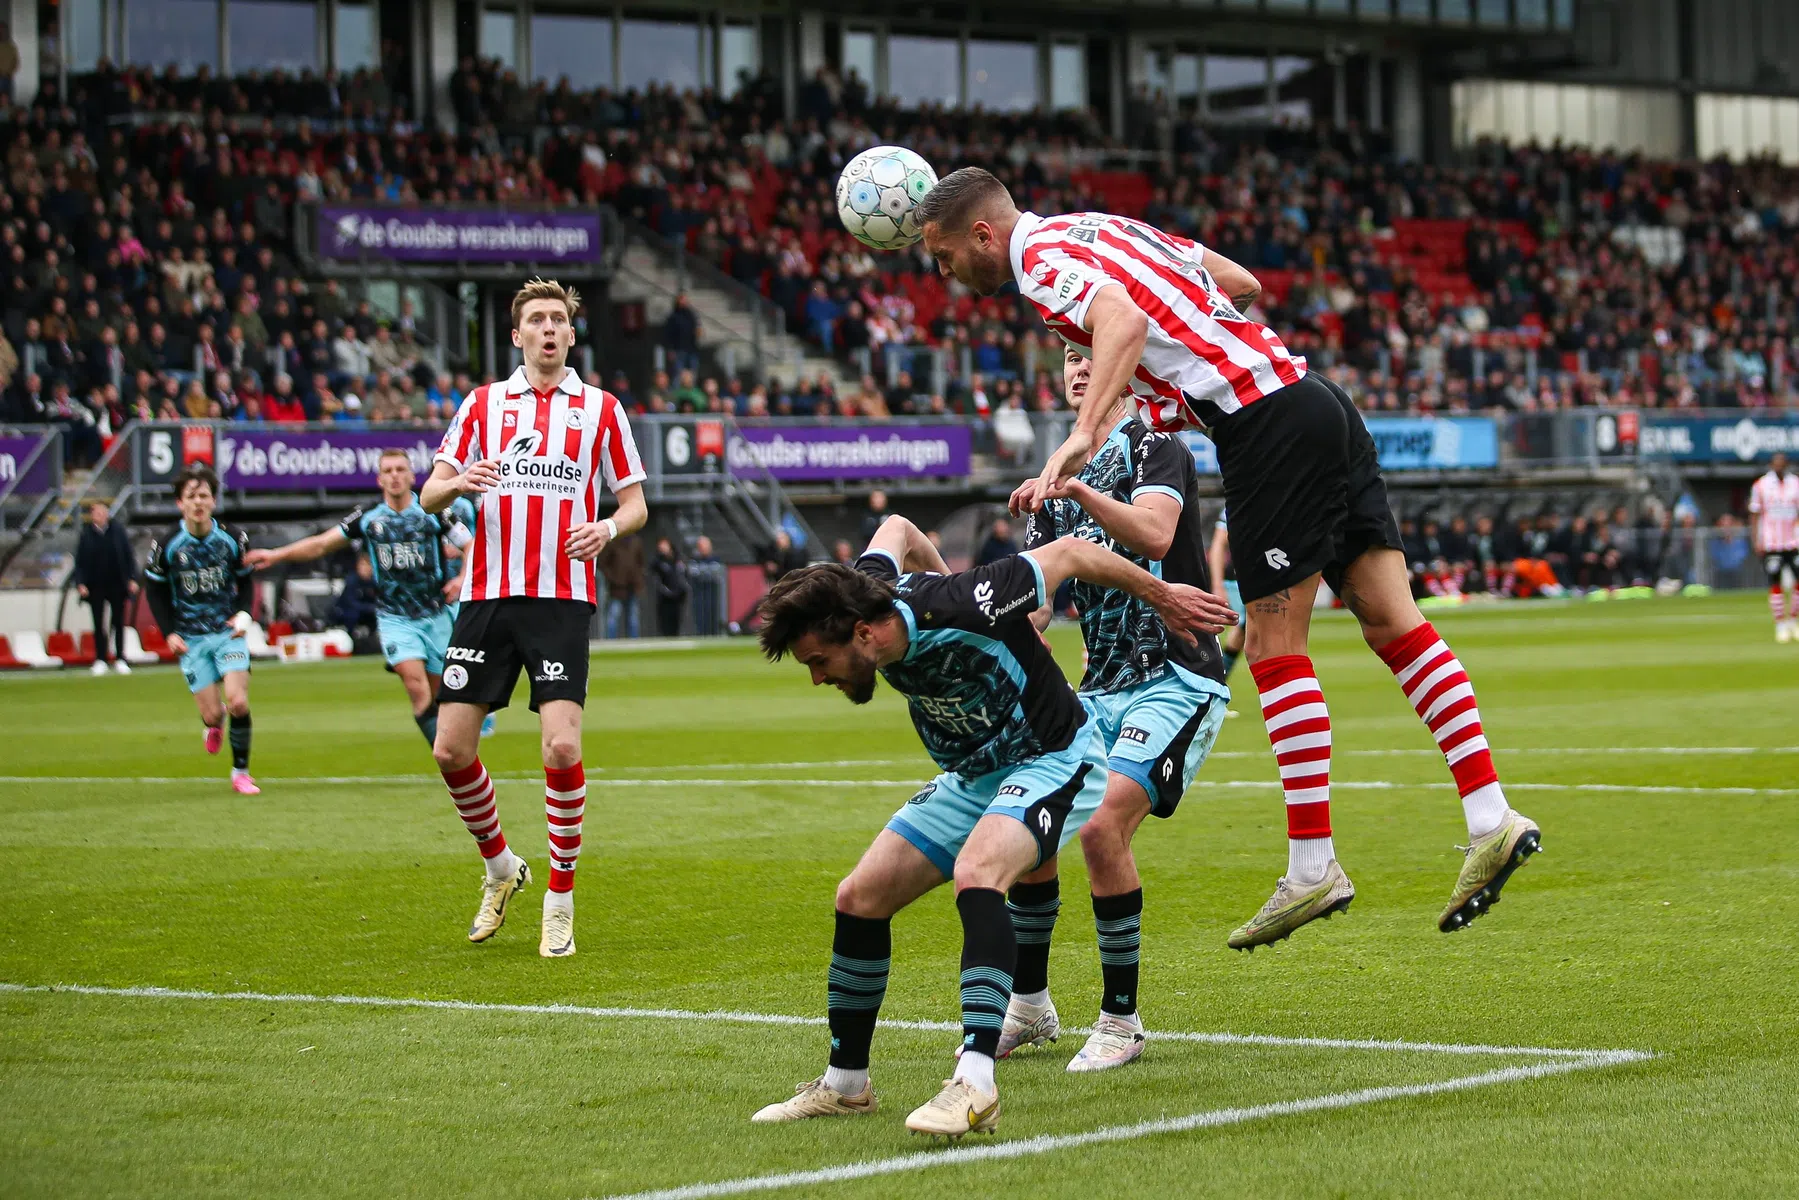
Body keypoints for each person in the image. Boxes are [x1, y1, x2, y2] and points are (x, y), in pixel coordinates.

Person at [916, 167, 1540, 945]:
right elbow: (1238, 282)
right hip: (1315, 400)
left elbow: (1121, 320)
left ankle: (1312, 868)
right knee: (1393, 622)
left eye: (943, 256)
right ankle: (1489, 815)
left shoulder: (1038, 264)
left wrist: (1082, 434)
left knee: (1273, 648)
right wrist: (1188, 372)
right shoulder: (1097, 226)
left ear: (983, 234)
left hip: (1265, 427)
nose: (944, 274)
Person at [748, 514, 1233, 1136]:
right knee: (859, 897)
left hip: (1057, 758)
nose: (819, 677)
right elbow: (897, 527)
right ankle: (846, 1086)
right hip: (973, 774)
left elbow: (1069, 552)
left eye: (820, 660)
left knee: (978, 873)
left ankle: (975, 1084)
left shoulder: (967, 601)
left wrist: (1161, 596)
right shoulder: (870, 587)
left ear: (864, 633)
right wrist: (984, 609)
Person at [1002, 347, 1234, 1072]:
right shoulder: (1052, 482)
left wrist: (1074, 490)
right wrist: (991, 621)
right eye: (1071, 356)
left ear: (1127, 369)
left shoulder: (1157, 448)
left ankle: (1121, 1021)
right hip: (1098, 688)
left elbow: (1154, 534)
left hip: (1176, 678)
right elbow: (1038, 605)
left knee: (1102, 827)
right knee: (1030, 820)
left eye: (1092, 354)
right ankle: (1029, 1006)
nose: (1080, 367)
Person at [420, 278, 648, 958]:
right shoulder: (482, 404)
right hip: (486, 596)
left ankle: (560, 899)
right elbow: (429, 494)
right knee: (450, 750)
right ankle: (500, 867)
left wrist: (607, 528)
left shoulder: (601, 409)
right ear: (517, 334)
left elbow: (635, 504)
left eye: (557, 320)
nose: (548, 329)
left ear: (571, 335)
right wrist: (456, 483)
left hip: (560, 598)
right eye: (536, 320)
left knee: (561, 748)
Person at [246, 450, 489, 746]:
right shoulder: (368, 517)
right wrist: (276, 555)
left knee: (441, 696)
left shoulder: (433, 511)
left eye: (400, 469)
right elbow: (322, 544)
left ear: (412, 476)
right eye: (388, 471)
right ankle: (448, 760)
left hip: (436, 614)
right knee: (416, 687)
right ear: (379, 479)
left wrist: (462, 578)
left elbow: (471, 545)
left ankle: (453, 754)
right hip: (395, 618)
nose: (395, 476)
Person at [142, 464, 260, 795]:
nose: (198, 502)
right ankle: (213, 722)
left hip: (227, 633)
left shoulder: (232, 538)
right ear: (180, 503)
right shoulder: (167, 544)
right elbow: (154, 589)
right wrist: (169, 632)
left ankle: (241, 773)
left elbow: (246, 580)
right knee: (212, 715)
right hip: (191, 638)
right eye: (191, 496)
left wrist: (244, 614)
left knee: (238, 702)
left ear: (213, 501)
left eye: (204, 496)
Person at [73, 500, 139, 676]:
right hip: (96, 585)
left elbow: (128, 556)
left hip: (117, 584)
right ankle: (100, 658)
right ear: (92, 515)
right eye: (97, 513)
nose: (101, 516)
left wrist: (132, 578)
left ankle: (120, 657)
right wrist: (80, 583)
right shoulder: (86, 534)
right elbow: (80, 561)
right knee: (98, 623)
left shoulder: (118, 531)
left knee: (118, 622)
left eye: (103, 512)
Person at [1749, 451, 1799, 643]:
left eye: (1782, 463)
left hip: (1793, 542)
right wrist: (1756, 539)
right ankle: (1780, 624)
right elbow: (1755, 514)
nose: (1779, 466)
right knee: (1775, 582)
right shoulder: (1761, 485)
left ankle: (1793, 620)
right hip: (1771, 543)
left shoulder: (1795, 483)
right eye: (1776, 463)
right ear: (1771, 465)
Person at [1206, 505, 1246, 715]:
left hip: (1253, 578)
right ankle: (1211, 692)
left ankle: (1213, 693)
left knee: (1242, 633)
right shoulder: (1234, 506)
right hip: (1237, 581)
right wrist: (1217, 584)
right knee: (1242, 629)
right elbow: (1218, 545)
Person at [599, 533, 645, 639]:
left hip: (633, 586)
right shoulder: (612, 542)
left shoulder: (636, 542)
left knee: (633, 617)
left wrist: (638, 577)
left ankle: (633, 641)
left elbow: (641, 562)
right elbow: (603, 563)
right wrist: (613, 578)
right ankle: (610, 641)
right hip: (617, 588)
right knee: (613, 616)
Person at [650, 536, 689, 637]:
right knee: (665, 618)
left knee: (677, 617)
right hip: (665, 596)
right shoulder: (658, 562)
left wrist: (683, 588)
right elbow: (655, 578)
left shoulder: (678, 559)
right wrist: (664, 590)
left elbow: (683, 574)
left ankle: (677, 634)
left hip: (678, 595)